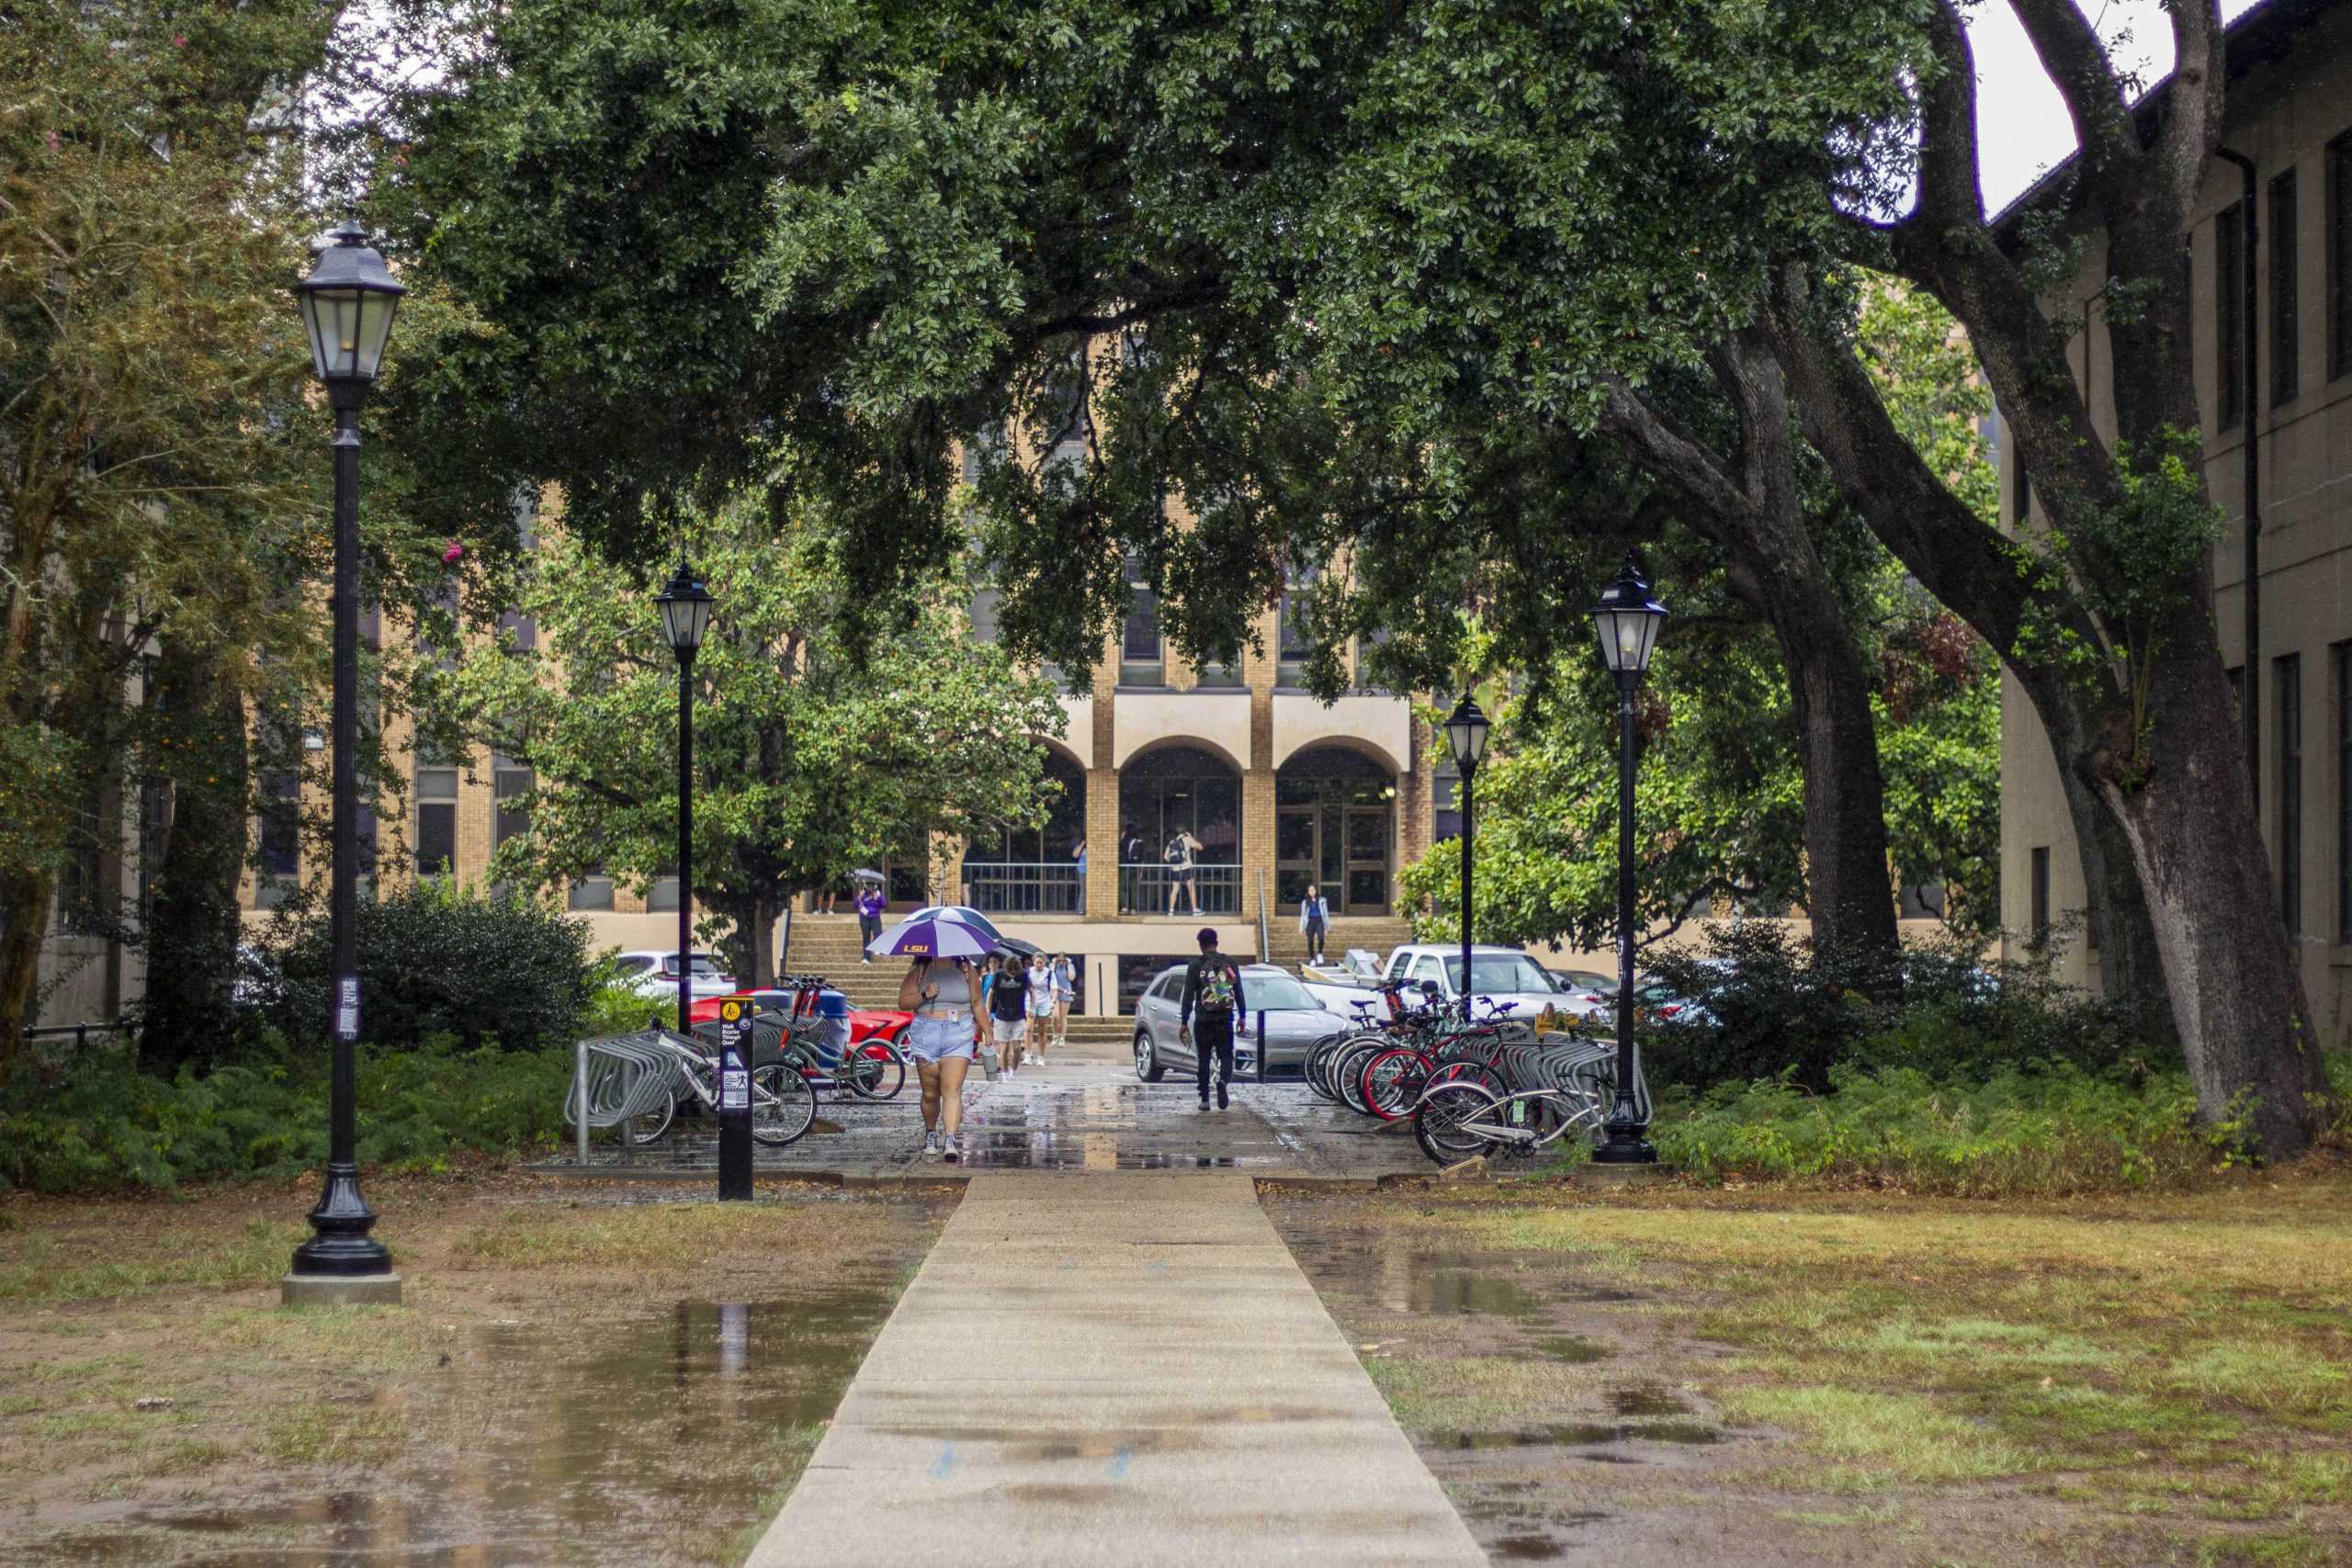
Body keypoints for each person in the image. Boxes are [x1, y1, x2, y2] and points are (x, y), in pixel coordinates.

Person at [899, 954, 980, 1161]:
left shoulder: (966, 969)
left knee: (952, 1090)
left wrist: (988, 1032)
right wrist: (925, 994)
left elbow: (977, 1003)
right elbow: (903, 1002)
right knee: (930, 1094)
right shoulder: (920, 970)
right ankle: (930, 1133)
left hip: (958, 1033)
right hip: (927, 1035)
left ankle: (950, 1140)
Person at [1178, 926, 1249, 1111]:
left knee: (1203, 1058)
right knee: (1226, 1055)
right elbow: (1238, 991)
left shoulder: (1195, 965)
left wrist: (1184, 1021)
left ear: (1200, 945)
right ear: (1216, 943)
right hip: (1225, 1018)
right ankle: (1223, 1081)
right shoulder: (1230, 962)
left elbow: (1187, 996)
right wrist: (1242, 1015)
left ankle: (1205, 1100)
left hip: (1203, 1020)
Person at [988, 953, 1031, 1077]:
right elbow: (991, 994)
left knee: (1017, 1047)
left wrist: (1031, 1009)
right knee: (1004, 1047)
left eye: (1015, 972)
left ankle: (1014, 1070)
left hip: (1018, 1015)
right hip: (1002, 1015)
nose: (1012, 975)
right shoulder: (999, 975)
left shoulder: (1023, 975)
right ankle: (1005, 1072)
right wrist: (988, 1012)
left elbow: (1032, 992)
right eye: (1010, 972)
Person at [1024, 951, 1056, 1066]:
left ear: (1044, 963)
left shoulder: (1049, 974)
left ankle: (1041, 1056)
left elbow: (1054, 989)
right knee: (1028, 1028)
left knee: (1042, 1030)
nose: (1039, 965)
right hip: (1030, 1001)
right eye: (1037, 963)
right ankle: (1028, 1055)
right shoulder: (1028, 972)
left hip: (1044, 1002)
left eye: (1041, 963)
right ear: (1033, 962)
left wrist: (1053, 1001)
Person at [1164, 828, 1204, 915]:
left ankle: (1171, 910)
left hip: (1175, 869)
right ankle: (1195, 910)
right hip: (1186, 867)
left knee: (1174, 889)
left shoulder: (1172, 842)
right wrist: (1191, 837)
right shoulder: (1188, 839)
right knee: (1191, 888)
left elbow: (1166, 857)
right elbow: (1200, 847)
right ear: (1185, 832)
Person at [1298, 883, 1330, 964]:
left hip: (1319, 920)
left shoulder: (1322, 900)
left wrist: (1327, 927)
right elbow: (1303, 915)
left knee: (1321, 937)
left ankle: (1319, 953)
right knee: (1310, 941)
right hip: (1310, 921)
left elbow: (1326, 914)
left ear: (1316, 891)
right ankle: (1312, 958)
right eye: (1310, 890)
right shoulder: (1305, 902)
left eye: (1313, 890)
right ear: (1308, 892)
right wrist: (1301, 928)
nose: (1311, 892)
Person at [854, 883, 887, 962]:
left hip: (875, 916)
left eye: (871, 886)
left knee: (878, 934)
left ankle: (876, 947)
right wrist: (860, 897)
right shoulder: (863, 894)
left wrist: (878, 898)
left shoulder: (878, 894)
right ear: (865, 886)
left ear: (874, 886)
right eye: (868, 885)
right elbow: (855, 905)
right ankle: (866, 957)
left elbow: (884, 905)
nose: (870, 887)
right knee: (866, 937)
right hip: (864, 917)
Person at [1049, 953, 1075, 1050]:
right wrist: (1053, 964)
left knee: (1063, 1016)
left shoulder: (1068, 966)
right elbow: (1050, 976)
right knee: (1055, 1016)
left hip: (1066, 992)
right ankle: (1055, 1035)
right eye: (1059, 960)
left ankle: (1062, 1038)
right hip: (1055, 992)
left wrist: (1069, 964)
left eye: (1062, 961)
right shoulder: (1053, 966)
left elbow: (1071, 977)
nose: (1061, 962)